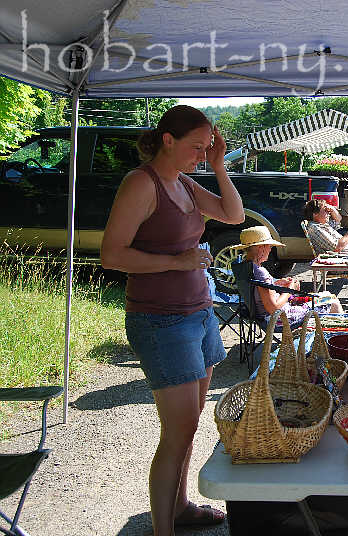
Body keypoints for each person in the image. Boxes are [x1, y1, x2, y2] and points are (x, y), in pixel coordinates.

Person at [100, 105, 245, 535]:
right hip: (162, 321)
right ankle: (164, 529)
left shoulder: (182, 181)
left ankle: (180, 508)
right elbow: (112, 255)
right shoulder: (141, 184)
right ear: (168, 140)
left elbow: (234, 216)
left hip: (199, 313)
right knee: (177, 432)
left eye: (207, 149)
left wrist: (219, 166)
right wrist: (176, 261)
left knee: (190, 423)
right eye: (197, 147)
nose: (202, 155)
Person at [233, 225, 343, 321]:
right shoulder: (260, 272)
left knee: (328, 295)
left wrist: (276, 283)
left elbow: (259, 290)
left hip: (264, 315)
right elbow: (274, 309)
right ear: (261, 247)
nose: (271, 250)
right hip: (280, 318)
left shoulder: (247, 266)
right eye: (270, 246)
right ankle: (338, 338)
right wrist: (290, 290)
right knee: (334, 303)